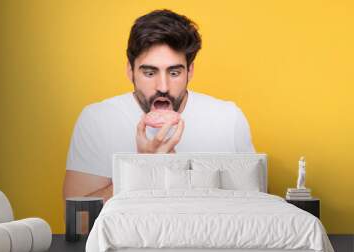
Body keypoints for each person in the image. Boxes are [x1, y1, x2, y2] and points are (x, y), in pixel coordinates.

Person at [63, 9, 256, 203]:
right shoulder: (98, 120)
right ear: (130, 71)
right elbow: (79, 223)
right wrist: (144, 168)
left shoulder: (228, 118)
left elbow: (256, 210)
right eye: (149, 73)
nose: (163, 87)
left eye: (174, 73)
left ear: (190, 71)